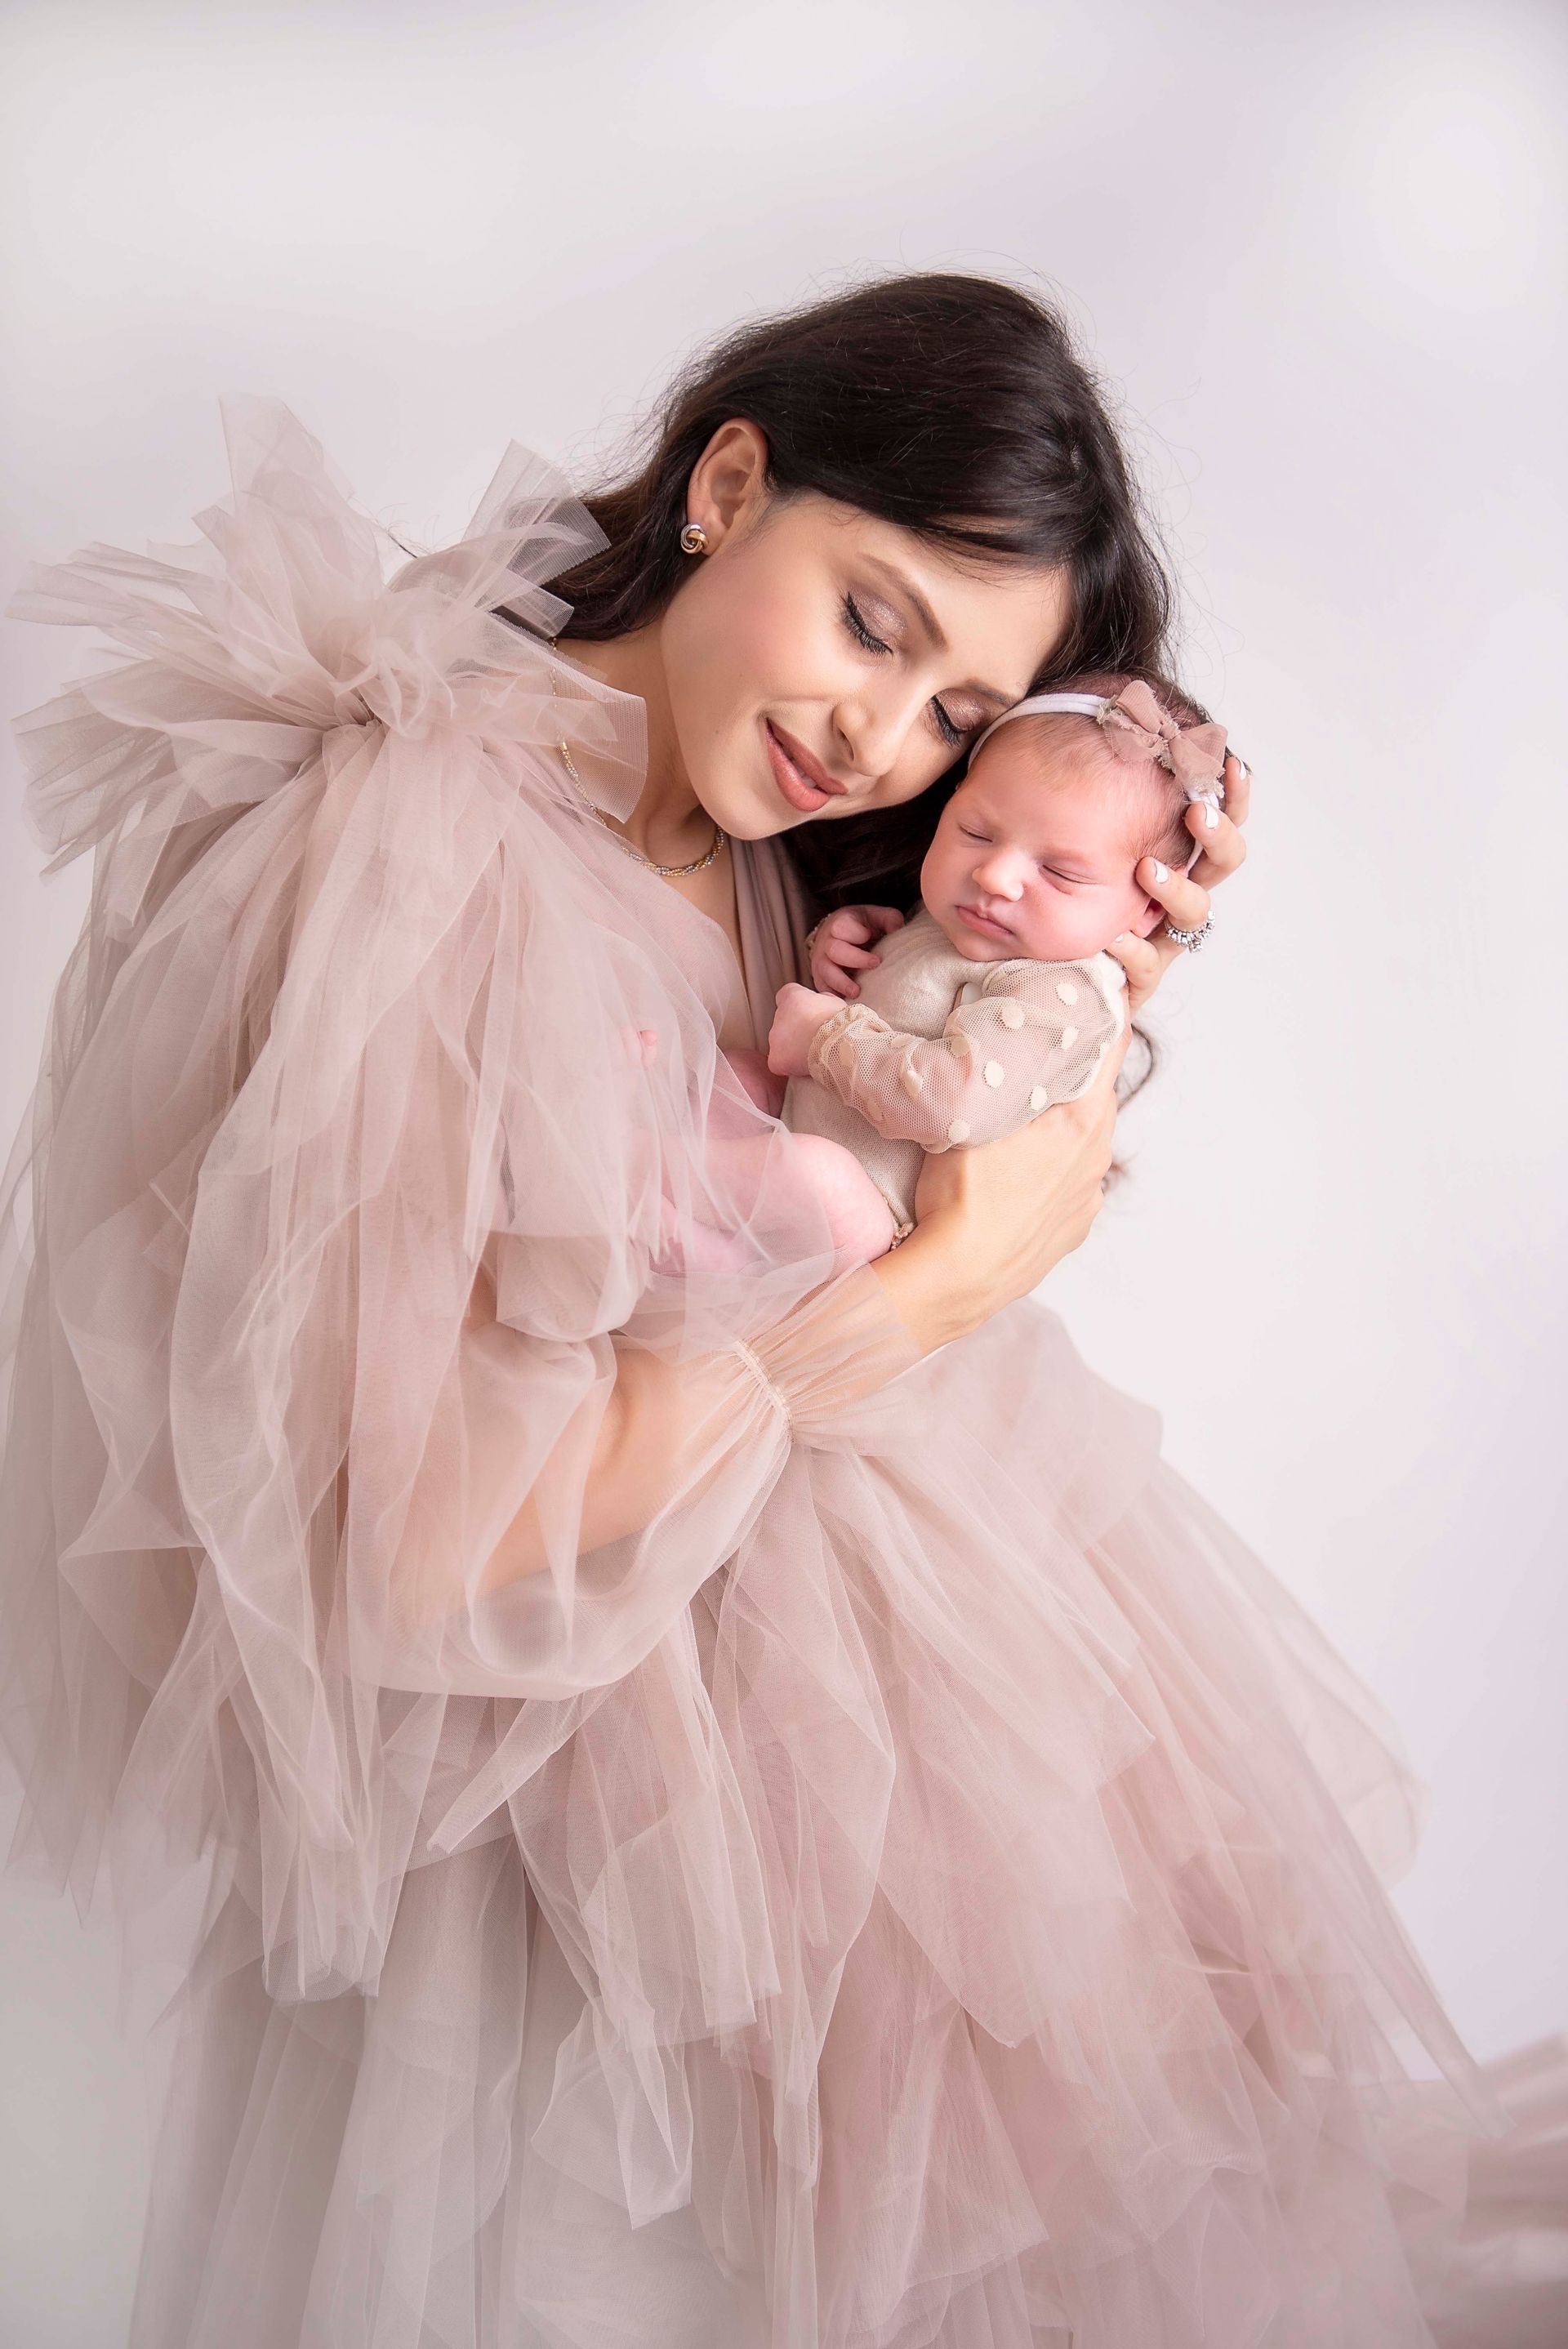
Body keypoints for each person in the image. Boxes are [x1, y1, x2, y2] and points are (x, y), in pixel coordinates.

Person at [1, 274, 1562, 2349]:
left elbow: (940, 1098)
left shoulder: (783, 857)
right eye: (871, 619)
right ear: (730, 482)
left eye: (949, 715)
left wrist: (1090, 917)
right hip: (609, 1861)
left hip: (921, 1768)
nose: (873, 733)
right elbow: (414, 1539)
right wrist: (919, 1298)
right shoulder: (417, 846)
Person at [766, 675, 1225, 1259]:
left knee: (814, 1174)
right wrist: (843, 945)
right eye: (975, 833)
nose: (995, 876)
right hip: (793, 1141)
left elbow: (951, 1103)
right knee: (736, 1074)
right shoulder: (966, 923)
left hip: (863, 1225)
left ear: (1151, 906)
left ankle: (668, 1215)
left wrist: (822, 1040)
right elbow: (904, 997)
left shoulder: (1065, 991)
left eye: (1060, 873)